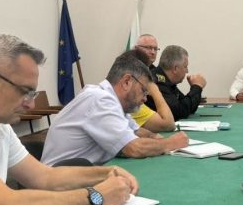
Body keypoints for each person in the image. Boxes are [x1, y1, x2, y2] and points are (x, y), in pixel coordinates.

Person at [0, 34, 137, 205]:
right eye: (24, 91)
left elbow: (45, 177)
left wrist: (105, 173)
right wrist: (96, 195)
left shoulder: (1, 128)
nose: (31, 104)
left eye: (32, 94)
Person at [42, 49, 188, 166]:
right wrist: (169, 144)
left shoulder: (115, 102)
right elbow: (133, 148)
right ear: (126, 82)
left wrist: (155, 137)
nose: (145, 98)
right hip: (58, 183)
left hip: (78, 175)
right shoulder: (100, 99)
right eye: (143, 91)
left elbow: (136, 131)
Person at [147, 45, 206, 121]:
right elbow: (180, 112)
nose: (187, 71)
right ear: (175, 68)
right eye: (185, 66)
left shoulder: (166, 80)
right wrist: (197, 87)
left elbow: (188, 108)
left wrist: (196, 88)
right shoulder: (157, 81)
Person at [130, 47, 175, 132]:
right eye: (143, 90)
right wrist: (155, 90)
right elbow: (168, 124)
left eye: (155, 49)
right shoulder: (130, 101)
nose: (145, 99)